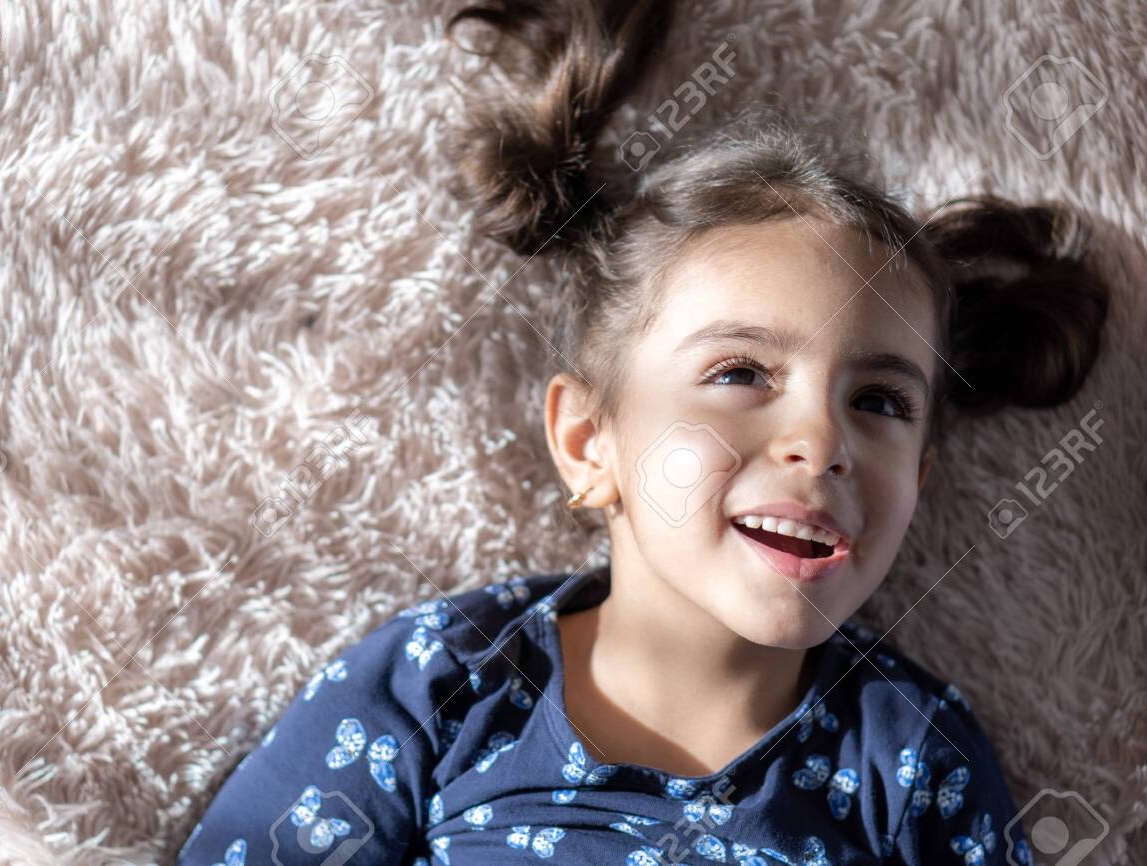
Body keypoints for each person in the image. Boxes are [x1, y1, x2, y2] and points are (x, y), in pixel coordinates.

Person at [176, 1, 1107, 863]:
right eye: (741, 374)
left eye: (880, 402)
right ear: (590, 442)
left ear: (922, 475)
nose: (822, 442)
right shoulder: (446, 682)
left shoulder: (913, 760)